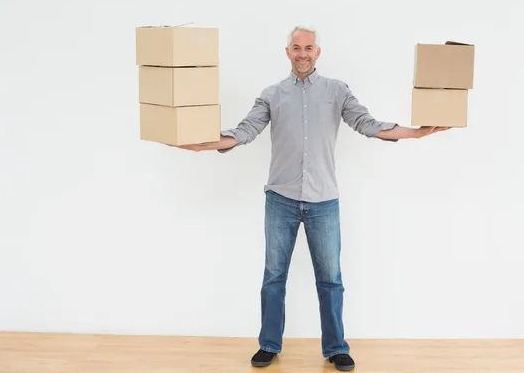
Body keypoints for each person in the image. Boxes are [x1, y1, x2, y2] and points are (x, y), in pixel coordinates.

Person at [171, 26, 450, 371]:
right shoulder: (271, 95)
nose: (302, 53)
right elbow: (243, 132)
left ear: (318, 52)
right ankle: (269, 344)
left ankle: (336, 348)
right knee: (274, 277)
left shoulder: (337, 91)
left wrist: (417, 133)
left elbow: (369, 125)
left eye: (308, 48)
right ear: (287, 52)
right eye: (296, 48)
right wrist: (202, 144)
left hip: (323, 202)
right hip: (280, 199)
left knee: (330, 278)